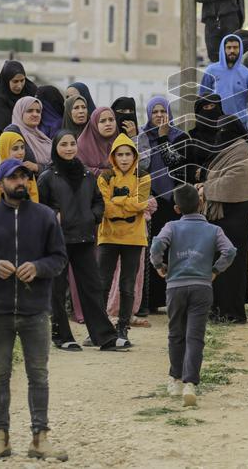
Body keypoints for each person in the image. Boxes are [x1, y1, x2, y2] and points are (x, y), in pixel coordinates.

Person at [0, 158, 69, 461]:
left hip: (35, 309)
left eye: (24, 177)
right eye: (13, 178)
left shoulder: (45, 217)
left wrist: (38, 267)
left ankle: (40, 440)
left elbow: (59, 258)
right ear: (0, 184)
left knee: (38, 375)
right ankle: (1, 438)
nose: (20, 182)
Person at [37, 131, 130, 351]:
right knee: (57, 289)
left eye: (72, 144)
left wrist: (93, 216)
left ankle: (104, 336)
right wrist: (54, 215)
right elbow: (39, 208)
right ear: (55, 148)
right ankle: (62, 337)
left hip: (84, 238)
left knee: (92, 287)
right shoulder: (47, 176)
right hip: (57, 241)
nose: (69, 148)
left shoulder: (87, 174)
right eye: (64, 144)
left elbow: (98, 201)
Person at [151, 185, 236, 407]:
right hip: (202, 286)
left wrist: (159, 265)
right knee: (195, 336)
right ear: (201, 204)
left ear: (177, 209)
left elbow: (157, 244)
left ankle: (175, 378)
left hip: (175, 286)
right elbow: (230, 251)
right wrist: (216, 270)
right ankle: (191, 383)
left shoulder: (171, 226)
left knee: (175, 333)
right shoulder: (213, 230)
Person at [198, 115, 248, 324]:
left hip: (238, 214)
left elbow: (232, 181)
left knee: (232, 264)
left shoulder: (241, 151)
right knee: (224, 262)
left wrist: (206, 188)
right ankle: (220, 307)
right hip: (226, 213)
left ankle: (232, 313)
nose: (220, 134)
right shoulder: (230, 149)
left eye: (224, 130)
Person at [97, 134, 155, 342]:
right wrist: (132, 205)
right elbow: (105, 208)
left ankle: (123, 327)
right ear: (113, 156)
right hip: (108, 237)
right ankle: (99, 327)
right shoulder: (105, 176)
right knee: (102, 283)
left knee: (127, 284)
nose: (123, 159)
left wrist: (118, 200)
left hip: (134, 238)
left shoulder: (143, 176)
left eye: (127, 154)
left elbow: (141, 202)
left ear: (134, 156)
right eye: (119, 154)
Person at [138, 96, 189, 316]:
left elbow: (179, 164)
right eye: (155, 112)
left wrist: (164, 138)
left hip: (174, 200)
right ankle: (151, 300)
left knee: (175, 251)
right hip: (152, 200)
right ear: (149, 114)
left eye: (163, 111)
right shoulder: (142, 137)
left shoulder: (179, 136)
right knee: (153, 251)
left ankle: (174, 300)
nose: (160, 115)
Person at [200, 33, 248, 139]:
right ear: (223, 49)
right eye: (229, 47)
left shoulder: (247, 74)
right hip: (215, 126)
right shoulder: (211, 71)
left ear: (240, 49)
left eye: (235, 47)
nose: (232, 50)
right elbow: (201, 99)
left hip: (240, 127)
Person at [0, 60, 37, 179]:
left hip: (25, 146)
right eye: (15, 81)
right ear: (6, 81)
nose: (19, 85)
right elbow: (7, 127)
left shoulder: (31, 91)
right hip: (5, 148)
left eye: (22, 80)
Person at [0, 131, 40, 204]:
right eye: (15, 149)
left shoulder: (28, 172)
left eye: (22, 147)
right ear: (4, 150)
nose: (21, 152)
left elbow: (34, 200)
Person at [185, 94, 225, 184]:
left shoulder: (228, 133)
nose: (210, 110)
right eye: (206, 107)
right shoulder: (193, 139)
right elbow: (188, 166)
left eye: (212, 106)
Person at [76, 106, 119, 176]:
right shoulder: (81, 145)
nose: (108, 124)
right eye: (102, 121)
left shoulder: (121, 143)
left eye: (111, 120)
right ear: (94, 123)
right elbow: (79, 169)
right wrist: (103, 173)